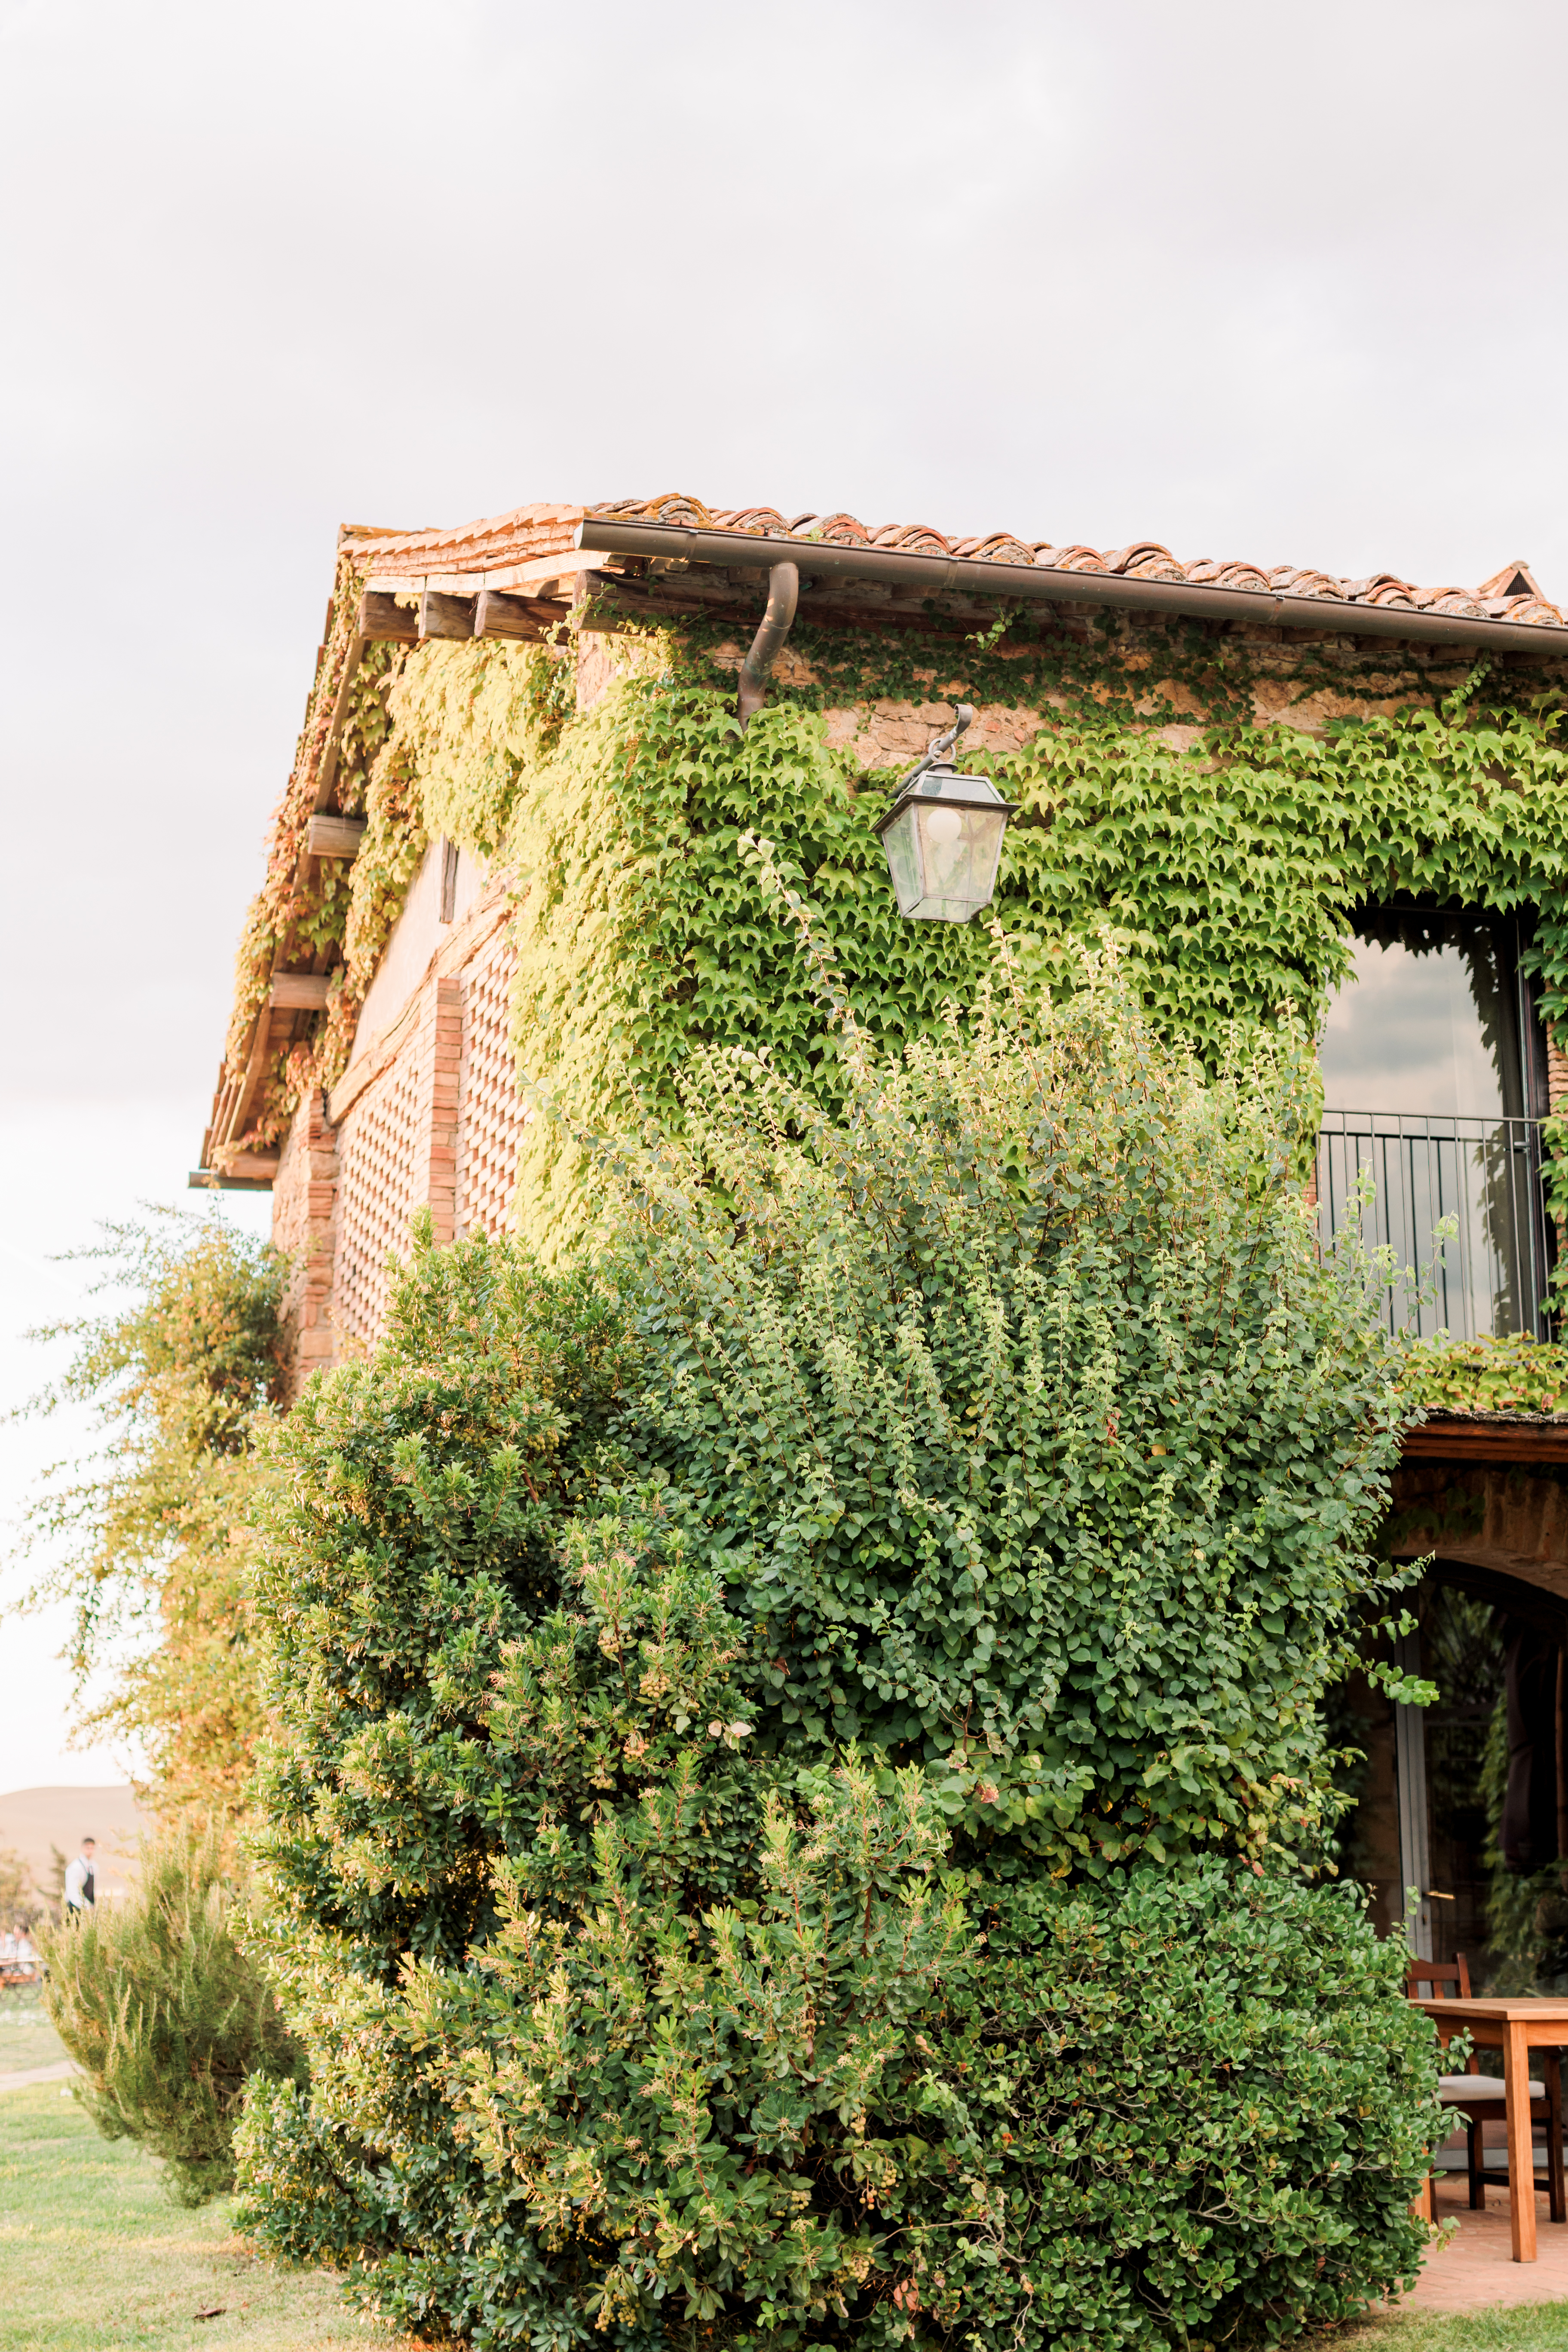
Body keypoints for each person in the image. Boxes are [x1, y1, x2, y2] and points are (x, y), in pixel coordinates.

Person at [64, 1838, 96, 1915]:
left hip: (88, 1909)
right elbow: (73, 1893)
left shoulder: (93, 1866)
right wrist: (86, 1907)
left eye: (92, 1848)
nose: (90, 1851)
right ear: (82, 1848)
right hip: (75, 1909)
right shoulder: (76, 1867)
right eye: (88, 1848)